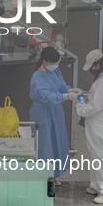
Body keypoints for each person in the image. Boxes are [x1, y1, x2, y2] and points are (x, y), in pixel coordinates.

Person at [75, 49, 103, 204]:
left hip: (98, 122)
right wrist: (83, 97)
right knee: (96, 154)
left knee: (101, 156)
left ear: (97, 65)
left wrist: (80, 106)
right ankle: (96, 185)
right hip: (102, 121)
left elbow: (96, 105)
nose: (90, 70)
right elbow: (97, 99)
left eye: (92, 66)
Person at [29, 46, 80, 183]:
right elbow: (45, 95)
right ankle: (45, 175)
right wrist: (64, 96)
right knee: (45, 144)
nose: (56, 65)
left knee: (57, 140)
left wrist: (70, 90)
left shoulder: (55, 70)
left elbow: (61, 85)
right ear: (45, 62)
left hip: (56, 111)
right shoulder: (37, 77)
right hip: (42, 113)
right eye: (54, 63)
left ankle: (55, 173)